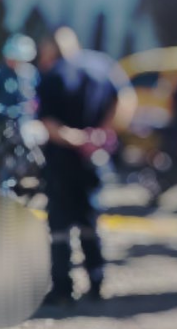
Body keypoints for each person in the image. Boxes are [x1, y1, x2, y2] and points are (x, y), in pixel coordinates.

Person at [36, 27, 136, 305]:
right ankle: (96, 281)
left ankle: (62, 288)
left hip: (61, 159)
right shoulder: (103, 64)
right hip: (93, 157)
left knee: (59, 226)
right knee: (90, 218)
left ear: (50, 50)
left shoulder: (52, 75)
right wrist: (101, 133)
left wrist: (75, 139)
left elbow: (47, 122)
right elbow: (126, 100)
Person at [0, 33, 39, 121]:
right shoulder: (1, 72)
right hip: (2, 118)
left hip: (24, 120)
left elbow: (35, 97)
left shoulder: (31, 74)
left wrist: (32, 105)